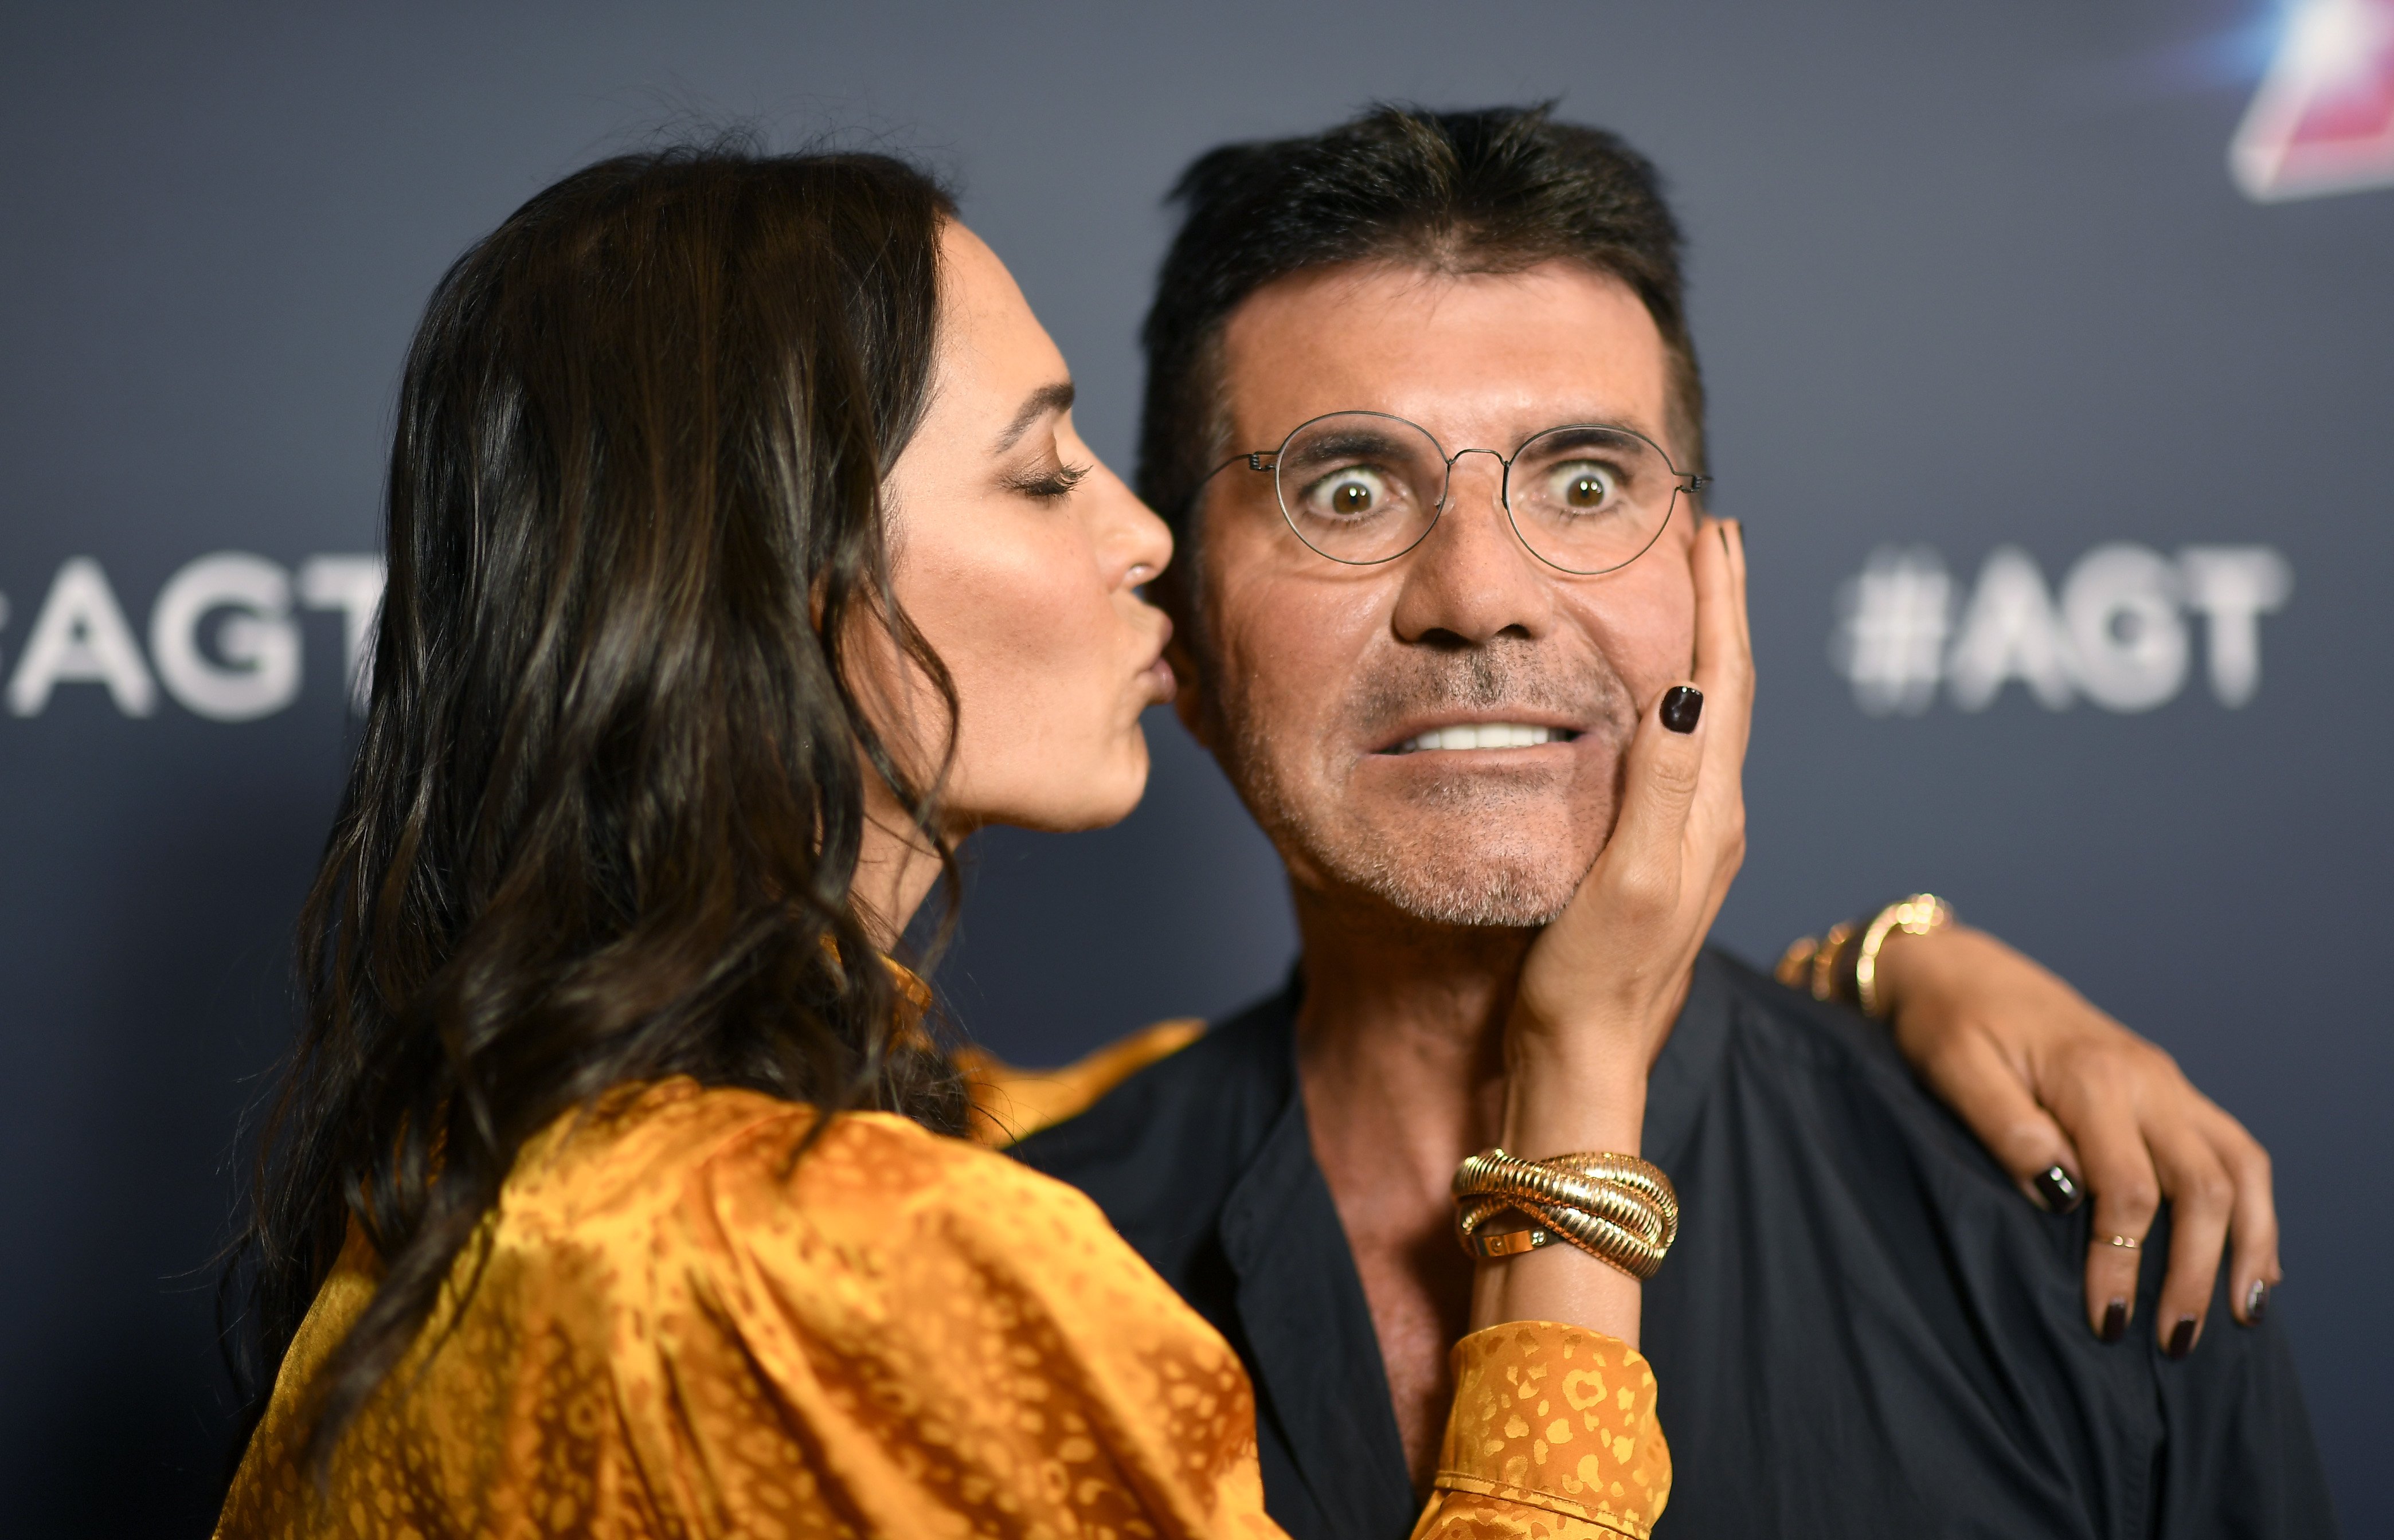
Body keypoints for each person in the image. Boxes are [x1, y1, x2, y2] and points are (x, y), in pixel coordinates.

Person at [216, 142, 1753, 1538]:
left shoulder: (522, 1177)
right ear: (782, 584)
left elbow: (1092, 1107)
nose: (1143, 541)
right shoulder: (830, 1269)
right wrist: (1575, 1113)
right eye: (1038, 476)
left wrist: (1874, 969)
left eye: (1590, 481)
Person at [1011, 105, 2336, 1539]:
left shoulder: (2074, 1233)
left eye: (1585, 485)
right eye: (1345, 490)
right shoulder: (998, 1272)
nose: (1478, 595)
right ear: (1184, 642)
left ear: (1714, 592)